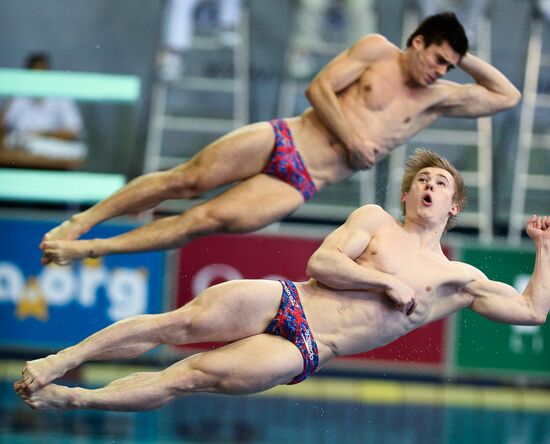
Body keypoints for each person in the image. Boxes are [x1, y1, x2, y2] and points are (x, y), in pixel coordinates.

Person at [14, 149, 549, 412]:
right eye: (422, 181)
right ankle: (60, 360)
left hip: (310, 347)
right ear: (407, 196)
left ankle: (74, 399)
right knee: (173, 324)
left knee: (188, 375)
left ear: (453, 206)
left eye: (440, 183)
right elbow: (323, 264)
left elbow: (532, 312)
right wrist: (386, 285)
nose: (429, 186)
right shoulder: (374, 220)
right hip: (288, 297)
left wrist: (545, 248)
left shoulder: (459, 277)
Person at [38, 12, 521, 267]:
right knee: (185, 180)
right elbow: (318, 88)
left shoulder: (436, 98)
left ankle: (91, 250)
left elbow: (506, 96)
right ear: (417, 42)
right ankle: (85, 221)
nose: (439, 70)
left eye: (448, 66)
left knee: (199, 221)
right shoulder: (377, 51)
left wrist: (464, 56)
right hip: (287, 136)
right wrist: (352, 138)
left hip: (301, 181)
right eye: (437, 58)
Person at [0, 52, 87, 166]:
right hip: (21, 147)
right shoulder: (18, 97)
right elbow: (3, 126)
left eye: (43, 74)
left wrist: (42, 134)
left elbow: (73, 131)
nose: (38, 80)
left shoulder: (60, 96)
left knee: (76, 151)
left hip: (50, 146)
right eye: (35, 75)